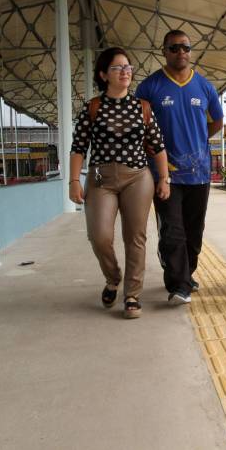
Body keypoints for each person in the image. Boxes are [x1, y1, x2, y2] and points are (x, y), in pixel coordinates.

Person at [69, 47, 171, 319]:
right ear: (104, 75)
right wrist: (73, 181)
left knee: (135, 237)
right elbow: (78, 148)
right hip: (101, 178)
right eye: (117, 68)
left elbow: (158, 146)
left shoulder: (142, 108)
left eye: (128, 67)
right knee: (99, 236)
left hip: (138, 177)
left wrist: (164, 178)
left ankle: (132, 294)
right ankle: (113, 276)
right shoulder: (93, 107)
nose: (125, 72)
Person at [136, 30, 224, 305]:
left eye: (185, 47)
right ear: (164, 51)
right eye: (174, 48)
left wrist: (198, 139)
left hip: (199, 174)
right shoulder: (150, 87)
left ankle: (186, 274)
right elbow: (140, 126)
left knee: (194, 233)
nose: (181, 53)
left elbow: (217, 122)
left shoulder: (205, 87)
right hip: (166, 175)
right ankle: (178, 285)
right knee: (173, 230)